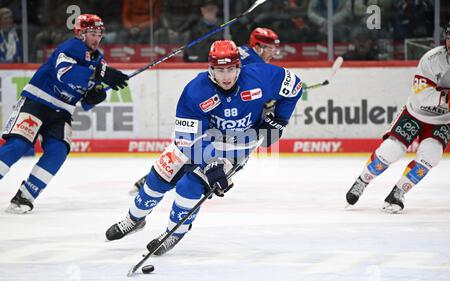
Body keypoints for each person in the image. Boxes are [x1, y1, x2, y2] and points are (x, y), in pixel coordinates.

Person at [106, 40, 302, 256]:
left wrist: (279, 121)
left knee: (189, 186)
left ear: (239, 67)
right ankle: (133, 219)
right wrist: (210, 163)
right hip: (200, 139)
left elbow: (294, 86)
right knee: (159, 177)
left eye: (230, 69)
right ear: (211, 68)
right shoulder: (196, 90)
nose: (226, 76)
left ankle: (174, 232)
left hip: (236, 144)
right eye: (220, 70)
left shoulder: (260, 76)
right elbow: (187, 137)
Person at [0, 14, 129, 213]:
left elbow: (85, 98)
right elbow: (65, 73)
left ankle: (25, 196)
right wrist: (100, 74)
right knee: (18, 145)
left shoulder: (98, 59)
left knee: (58, 150)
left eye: (99, 34)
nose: (96, 38)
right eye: (92, 33)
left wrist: (94, 95)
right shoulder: (71, 47)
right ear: (80, 33)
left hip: (62, 112)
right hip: (37, 102)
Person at [129, 28, 281, 194]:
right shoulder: (253, 65)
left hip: (221, 123)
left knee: (191, 154)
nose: (272, 52)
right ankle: (163, 181)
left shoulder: (242, 52)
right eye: (269, 48)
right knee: (198, 154)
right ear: (258, 47)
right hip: (223, 125)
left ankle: (156, 179)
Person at [345, 22, 450, 213]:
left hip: (442, 121)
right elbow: (422, 96)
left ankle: (398, 192)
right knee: (390, 151)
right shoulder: (432, 59)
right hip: (416, 113)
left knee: (431, 156)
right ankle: (363, 180)